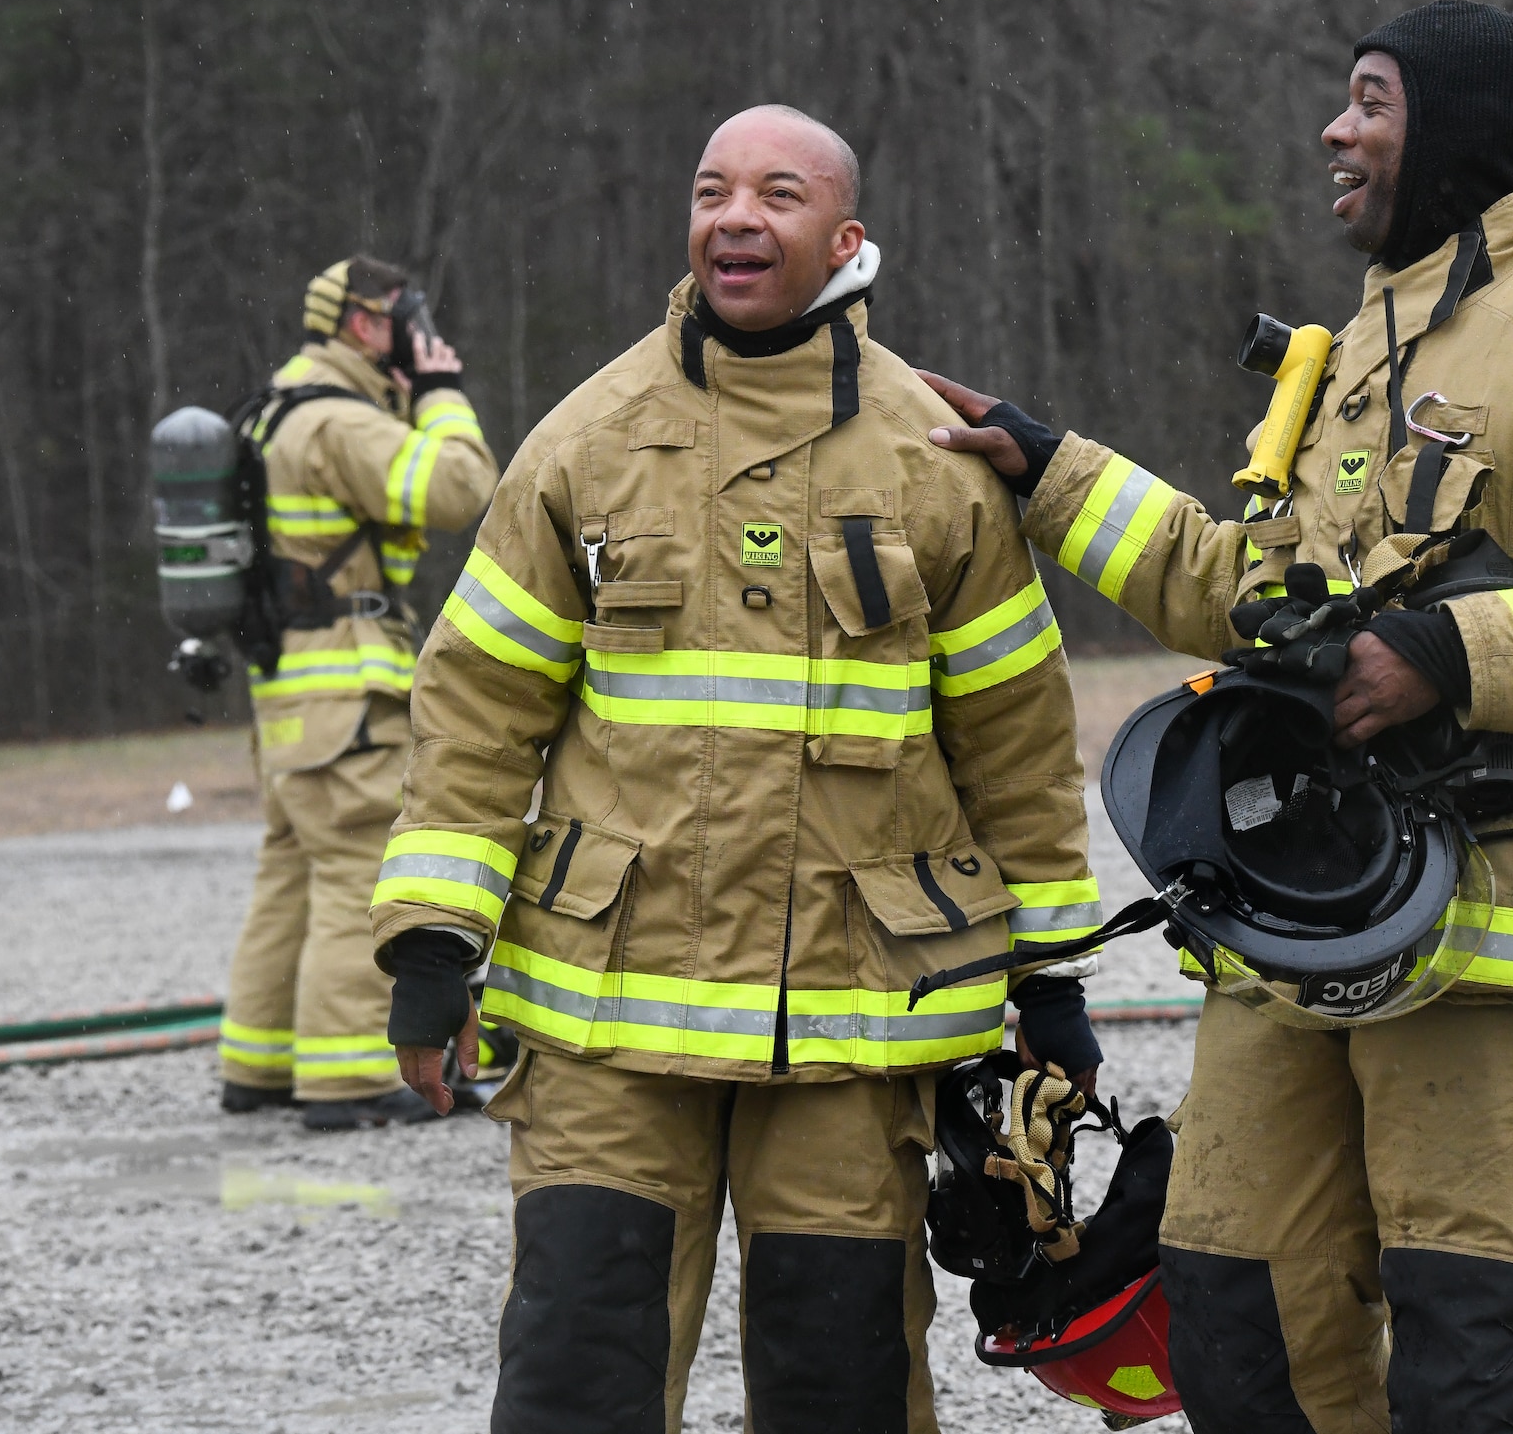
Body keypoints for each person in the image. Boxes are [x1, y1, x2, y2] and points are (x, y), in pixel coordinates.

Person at [922, 0, 1513, 1431]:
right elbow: (1247, 601)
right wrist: (1052, 468)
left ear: (1454, 131)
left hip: (1493, 952)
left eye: (1371, 102)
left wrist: (1455, 652)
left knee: (1472, 1341)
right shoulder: (1370, 349)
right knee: (1232, 1299)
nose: (1336, 128)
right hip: (1302, 927)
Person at [373, 105, 1105, 1434]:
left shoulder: (933, 460)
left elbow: (1017, 747)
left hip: (856, 1024)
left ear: (845, 237)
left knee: (842, 1388)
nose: (735, 217)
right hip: (610, 1019)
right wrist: (432, 948)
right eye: (712, 191)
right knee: (573, 1378)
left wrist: (1050, 979)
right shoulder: (586, 442)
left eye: (777, 192)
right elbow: (477, 708)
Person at [218, 256, 497, 1130]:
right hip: (344, 687)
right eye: (405, 318)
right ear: (367, 326)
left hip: (289, 693)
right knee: (353, 876)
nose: (415, 336)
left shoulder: (270, 411)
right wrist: (443, 390)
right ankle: (346, 1080)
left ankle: (257, 1064)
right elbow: (462, 488)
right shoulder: (337, 420)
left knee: (291, 874)